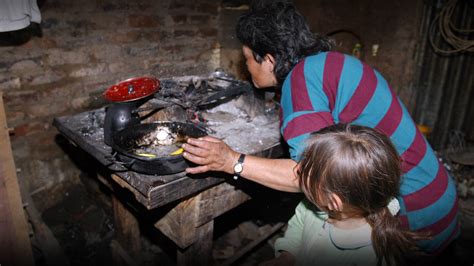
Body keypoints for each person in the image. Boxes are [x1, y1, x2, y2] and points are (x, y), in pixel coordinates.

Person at [182, 0, 459, 254]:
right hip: (440, 195)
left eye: (247, 59)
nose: (245, 67)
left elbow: (313, 177)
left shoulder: (300, 81)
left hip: (412, 216)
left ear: (269, 60)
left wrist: (232, 161)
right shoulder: (329, 63)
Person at [262, 124, 423, 266]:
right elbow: (300, 223)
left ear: (334, 202)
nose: (298, 168)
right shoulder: (316, 204)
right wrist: (289, 256)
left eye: (308, 169)